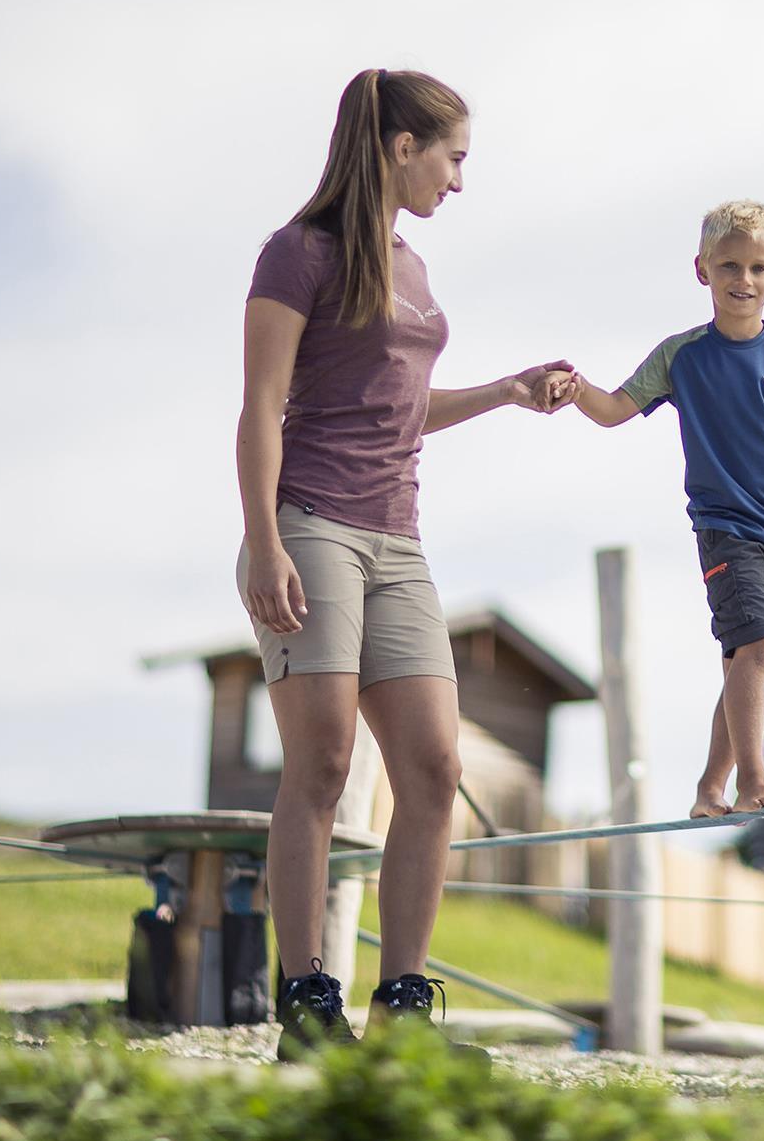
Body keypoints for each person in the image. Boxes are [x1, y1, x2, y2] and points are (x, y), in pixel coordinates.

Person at [236, 68, 574, 1059]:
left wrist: (507, 390)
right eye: (453, 156)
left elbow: (397, 406)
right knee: (328, 762)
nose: (458, 181)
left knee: (432, 767)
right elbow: (262, 405)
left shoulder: (416, 269)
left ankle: (403, 1010)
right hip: (312, 524)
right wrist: (264, 538)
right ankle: (305, 1001)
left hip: (398, 538)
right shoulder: (295, 253)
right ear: (399, 146)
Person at [566, 200, 764, 819]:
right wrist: (575, 389)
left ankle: (708, 790)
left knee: (751, 659)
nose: (741, 280)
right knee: (758, 645)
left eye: (756, 268)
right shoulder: (681, 356)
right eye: (728, 266)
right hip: (726, 531)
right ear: (702, 270)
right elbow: (614, 408)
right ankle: (753, 781)